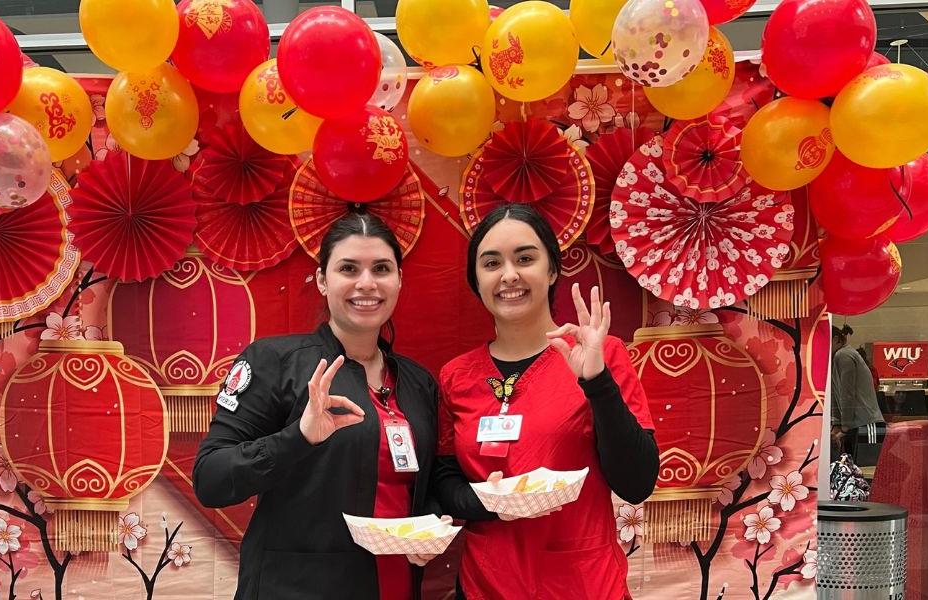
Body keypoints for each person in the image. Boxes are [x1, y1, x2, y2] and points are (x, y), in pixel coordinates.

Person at [193, 213, 441, 600]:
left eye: (381, 268)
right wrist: (299, 437)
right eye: (348, 268)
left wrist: (430, 525)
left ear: (399, 280)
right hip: (297, 587)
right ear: (323, 280)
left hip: (395, 585)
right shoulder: (274, 362)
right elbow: (210, 479)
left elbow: (420, 486)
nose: (366, 283)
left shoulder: (418, 383)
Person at [431, 204, 659, 600]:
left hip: (583, 584)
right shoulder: (457, 375)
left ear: (552, 270)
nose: (509, 275)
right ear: (476, 279)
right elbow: (445, 479)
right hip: (487, 585)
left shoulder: (603, 355)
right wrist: (490, 503)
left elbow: (637, 483)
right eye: (491, 263)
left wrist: (597, 383)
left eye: (525, 258)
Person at [831, 325, 885, 458]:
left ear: (836, 339)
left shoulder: (843, 355)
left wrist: (844, 426)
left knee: (866, 472)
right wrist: (838, 424)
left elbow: (847, 393)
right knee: (856, 472)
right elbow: (837, 394)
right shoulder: (839, 356)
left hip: (865, 423)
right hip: (859, 423)